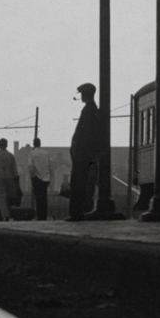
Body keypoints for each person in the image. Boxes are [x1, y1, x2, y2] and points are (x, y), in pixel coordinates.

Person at [69, 82, 101, 221]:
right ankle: (77, 213)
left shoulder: (89, 110)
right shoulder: (90, 109)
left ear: (86, 94)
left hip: (82, 155)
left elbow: (84, 134)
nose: (81, 96)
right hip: (83, 154)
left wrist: (76, 150)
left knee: (78, 184)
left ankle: (76, 213)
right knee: (81, 184)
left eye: (82, 94)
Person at [0, 138, 19, 221]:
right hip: (10, 179)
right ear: (6, 145)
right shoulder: (11, 156)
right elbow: (15, 170)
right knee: (9, 197)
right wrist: (16, 181)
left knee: (2, 198)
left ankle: (5, 215)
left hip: (0, 179)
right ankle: (8, 212)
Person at [27, 137, 51, 221]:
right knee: (44, 198)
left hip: (36, 178)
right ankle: (44, 216)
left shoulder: (31, 153)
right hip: (45, 178)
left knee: (37, 197)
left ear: (33, 144)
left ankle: (39, 216)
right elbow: (49, 166)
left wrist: (32, 176)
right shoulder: (46, 153)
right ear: (40, 144)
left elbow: (30, 166)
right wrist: (48, 178)